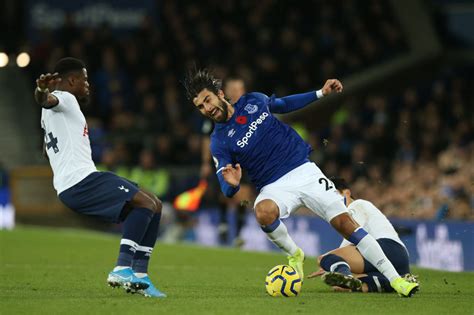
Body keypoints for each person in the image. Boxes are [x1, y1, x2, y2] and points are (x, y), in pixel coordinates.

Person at [183, 68, 418, 297]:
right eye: (200, 106)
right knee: (263, 211)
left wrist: (320, 93)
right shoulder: (219, 142)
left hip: (304, 171)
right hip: (274, 186)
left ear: (220, 94)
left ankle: (396, 281)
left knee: (346, 224)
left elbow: (283, 105)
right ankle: (295, 254)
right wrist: (233, 184)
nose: (207, 108)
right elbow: (225, 188)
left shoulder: (253, 101)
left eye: (207, 100)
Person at [35, 57, 165, 298]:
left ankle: (140, 277)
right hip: (81, 180)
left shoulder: (50, 117)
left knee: (155, 204)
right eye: (84, 79)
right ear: (71, 80)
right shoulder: (65, 98)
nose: (87, 84)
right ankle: (123, 268)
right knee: (145, 204)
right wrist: (42, 89)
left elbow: (46, 150)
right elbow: (45, 99)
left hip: (76, 182)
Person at [308, 177, 418, 293]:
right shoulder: (357, 211)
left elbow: (352, 239)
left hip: (386, 247)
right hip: (400, 259)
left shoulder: (356, 205)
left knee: (324, 258)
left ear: (347, 193)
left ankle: (346, 276)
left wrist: (331, 264)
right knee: (341, 286)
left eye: (334, 195)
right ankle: (385, 283)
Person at [200, 76, 253, 246]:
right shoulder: (216, 112)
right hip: (224, 158)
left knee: (243, 196)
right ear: (225, 92)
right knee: (225, 194)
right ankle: (223, 224)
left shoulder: (249, 108)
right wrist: (206, 162)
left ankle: (238, 232)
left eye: (239, 89)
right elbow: (206, 139)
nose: (236, 92)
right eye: (233, 89)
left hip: (246, 160)